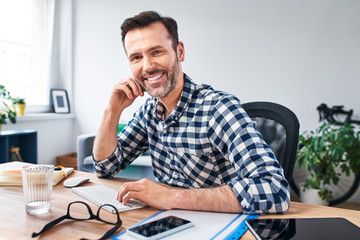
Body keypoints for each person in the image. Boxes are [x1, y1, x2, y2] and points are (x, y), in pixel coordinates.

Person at [93, 11, 290, 214]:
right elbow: (104, 167)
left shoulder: (218, 109)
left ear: (179, 52)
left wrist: (171, 197)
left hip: (226, 226)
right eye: (136, 57)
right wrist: (112, 111)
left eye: (156, 52)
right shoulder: (149, 113)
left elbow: (275, 191)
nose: (148, 66)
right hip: (173, 222)